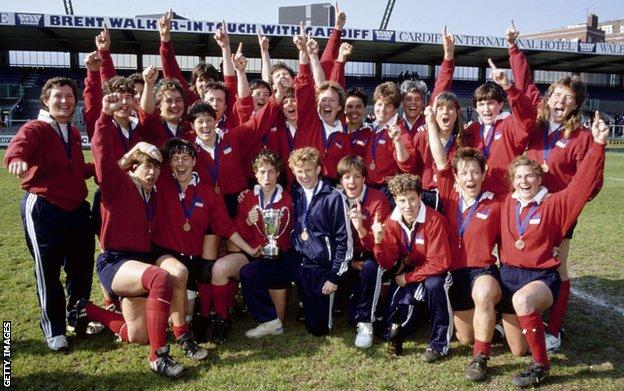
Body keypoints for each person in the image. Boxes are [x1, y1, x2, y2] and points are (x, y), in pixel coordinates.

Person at [507, 22, 604, 351]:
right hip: (526, 204)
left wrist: (569, 204)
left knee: (557, 265)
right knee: (523, 258)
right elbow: (525, 84)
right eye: (558, 94)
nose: (561, 100)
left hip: (558, 211)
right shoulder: (535, 120)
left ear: (576, 106)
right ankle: (518, 314)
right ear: (549, 97)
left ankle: (554, 329)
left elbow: (592, 180)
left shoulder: (581, 137)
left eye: (569, 98)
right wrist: (513, 49)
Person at [497, 112, 608, 387]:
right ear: (512, 180)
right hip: (509, 275)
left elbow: (583, 183)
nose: (524, 181)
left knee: (523, 301)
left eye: (530, 176)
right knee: (517, 350)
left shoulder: (556, 202)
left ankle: (541, 366)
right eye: (519, 177)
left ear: (539, 178)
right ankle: (524, 335)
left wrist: (597, 145)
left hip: (540, 278)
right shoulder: (505, 204)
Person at [89, 93, 182, 377]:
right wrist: (104, 119)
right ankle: (159, 357)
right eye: (146, 165)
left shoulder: (154, 193)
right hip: (117, 262)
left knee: (138, 334)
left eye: (156, 166)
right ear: (133, 165)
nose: (152, 172)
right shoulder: (117, 184)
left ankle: (91, 310)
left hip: (142, 260)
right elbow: (103, 154)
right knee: (160, 276)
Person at [5, 77, 95, 352]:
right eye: (58, 96)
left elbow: (74, 168)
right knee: (48, 270)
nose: (65, 101)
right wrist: (16, 159)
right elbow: (19, 147)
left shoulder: (73, 132)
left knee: (81, 267)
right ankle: (54, 329)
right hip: (44, 207)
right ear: (46, 100)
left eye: (69, 96)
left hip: (76, 208)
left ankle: (77, 318)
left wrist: (106, 170)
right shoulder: (36, 128)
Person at [152, 138, 260, 344]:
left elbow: (225, 226)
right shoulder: (161, 185)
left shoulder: (208, 191)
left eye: (185, 158)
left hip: (193, 260)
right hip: (167, 256)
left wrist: (250, 249)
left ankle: (211, 317)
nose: (180, 164)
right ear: (169, 163)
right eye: (175, 159)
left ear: (194, 161)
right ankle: (185, 319)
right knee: (179, 313)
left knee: (204, 273)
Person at [426, 104, 502, 381]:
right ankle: (494, 326)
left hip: (482, 272)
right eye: (464, 173)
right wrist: (431, 123)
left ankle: (481, 359)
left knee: (482, 296)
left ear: (484, 173)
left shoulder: (496, 204)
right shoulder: (449, 196)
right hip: (456, 274)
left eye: (475, 172)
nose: (470, 178)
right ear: (457, 177)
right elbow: (439, 158)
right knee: (465, 337)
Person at [371, 173, 453, 361]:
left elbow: (440, 263)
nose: (407, 206)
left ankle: (439, 344)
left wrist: (408, 278)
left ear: (420, 197)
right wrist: (378, 241)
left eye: (412, 199)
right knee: (387, 330)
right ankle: (419, 316)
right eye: (402, 200)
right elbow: (388, 262)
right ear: (395, 199)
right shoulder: (392, 221)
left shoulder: (434, 220)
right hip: (413, 270)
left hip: (438, 272)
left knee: (434, 285)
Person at [290, 147, 353, 336]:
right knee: (311, 325)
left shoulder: (334, 197)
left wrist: (334, 277)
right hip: (302, 265)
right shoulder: (296, 194)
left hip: (324, 269)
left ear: (318, 169)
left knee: (320, 329)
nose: (304, 175)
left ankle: (336, 297)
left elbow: (345, 241)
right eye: (299, 171)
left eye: (309, 170)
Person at [238, 150, 295, 337]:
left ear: (278, 172)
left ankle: (271, 320)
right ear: (255, 174)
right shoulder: (247, 198)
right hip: (257, 255)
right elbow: (238, 231)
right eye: (262, 172)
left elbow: (292, 231)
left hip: (282, 256)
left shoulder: (288, 198)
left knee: (250, 273)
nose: (267, 177)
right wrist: (247, 221)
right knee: (248, 272)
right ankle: (269, 320)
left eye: (271, 171)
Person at [337, 155, 391, 348]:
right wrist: (349, 261)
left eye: (357, 176)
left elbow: (380, 244)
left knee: (370, 268)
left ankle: (366, 322)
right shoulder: (336, 198)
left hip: (374, 252)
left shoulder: (377, 199)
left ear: (364, 178)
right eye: (347, 177)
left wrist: (360, 228)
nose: (352, 182)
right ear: (341, 180)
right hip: (348, 255)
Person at [462, 57, 537, 197]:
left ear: (501, 105)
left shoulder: (510, 123)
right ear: (476, 108)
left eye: (490, 103)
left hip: (505, 196)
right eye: (481, 104)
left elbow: (528, 115)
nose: (486, 109)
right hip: (478, 196)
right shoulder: (471, 130)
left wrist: (508, 86)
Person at [293, 27, 351, 185]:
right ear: (317, 103)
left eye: (332, 101)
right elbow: (304, 85)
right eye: (323, 100)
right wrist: (304, 53)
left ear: (340, 107)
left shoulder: (343, 134)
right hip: (303, 183)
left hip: (330, 187)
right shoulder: (309, 121)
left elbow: (345, 167)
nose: (327, 103)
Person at [343, 88, 373, 158]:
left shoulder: (371, 136)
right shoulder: (337, 131)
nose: (354, 110)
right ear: (344, 109)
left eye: (358, 107)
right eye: (350, 106)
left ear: (364, 109)